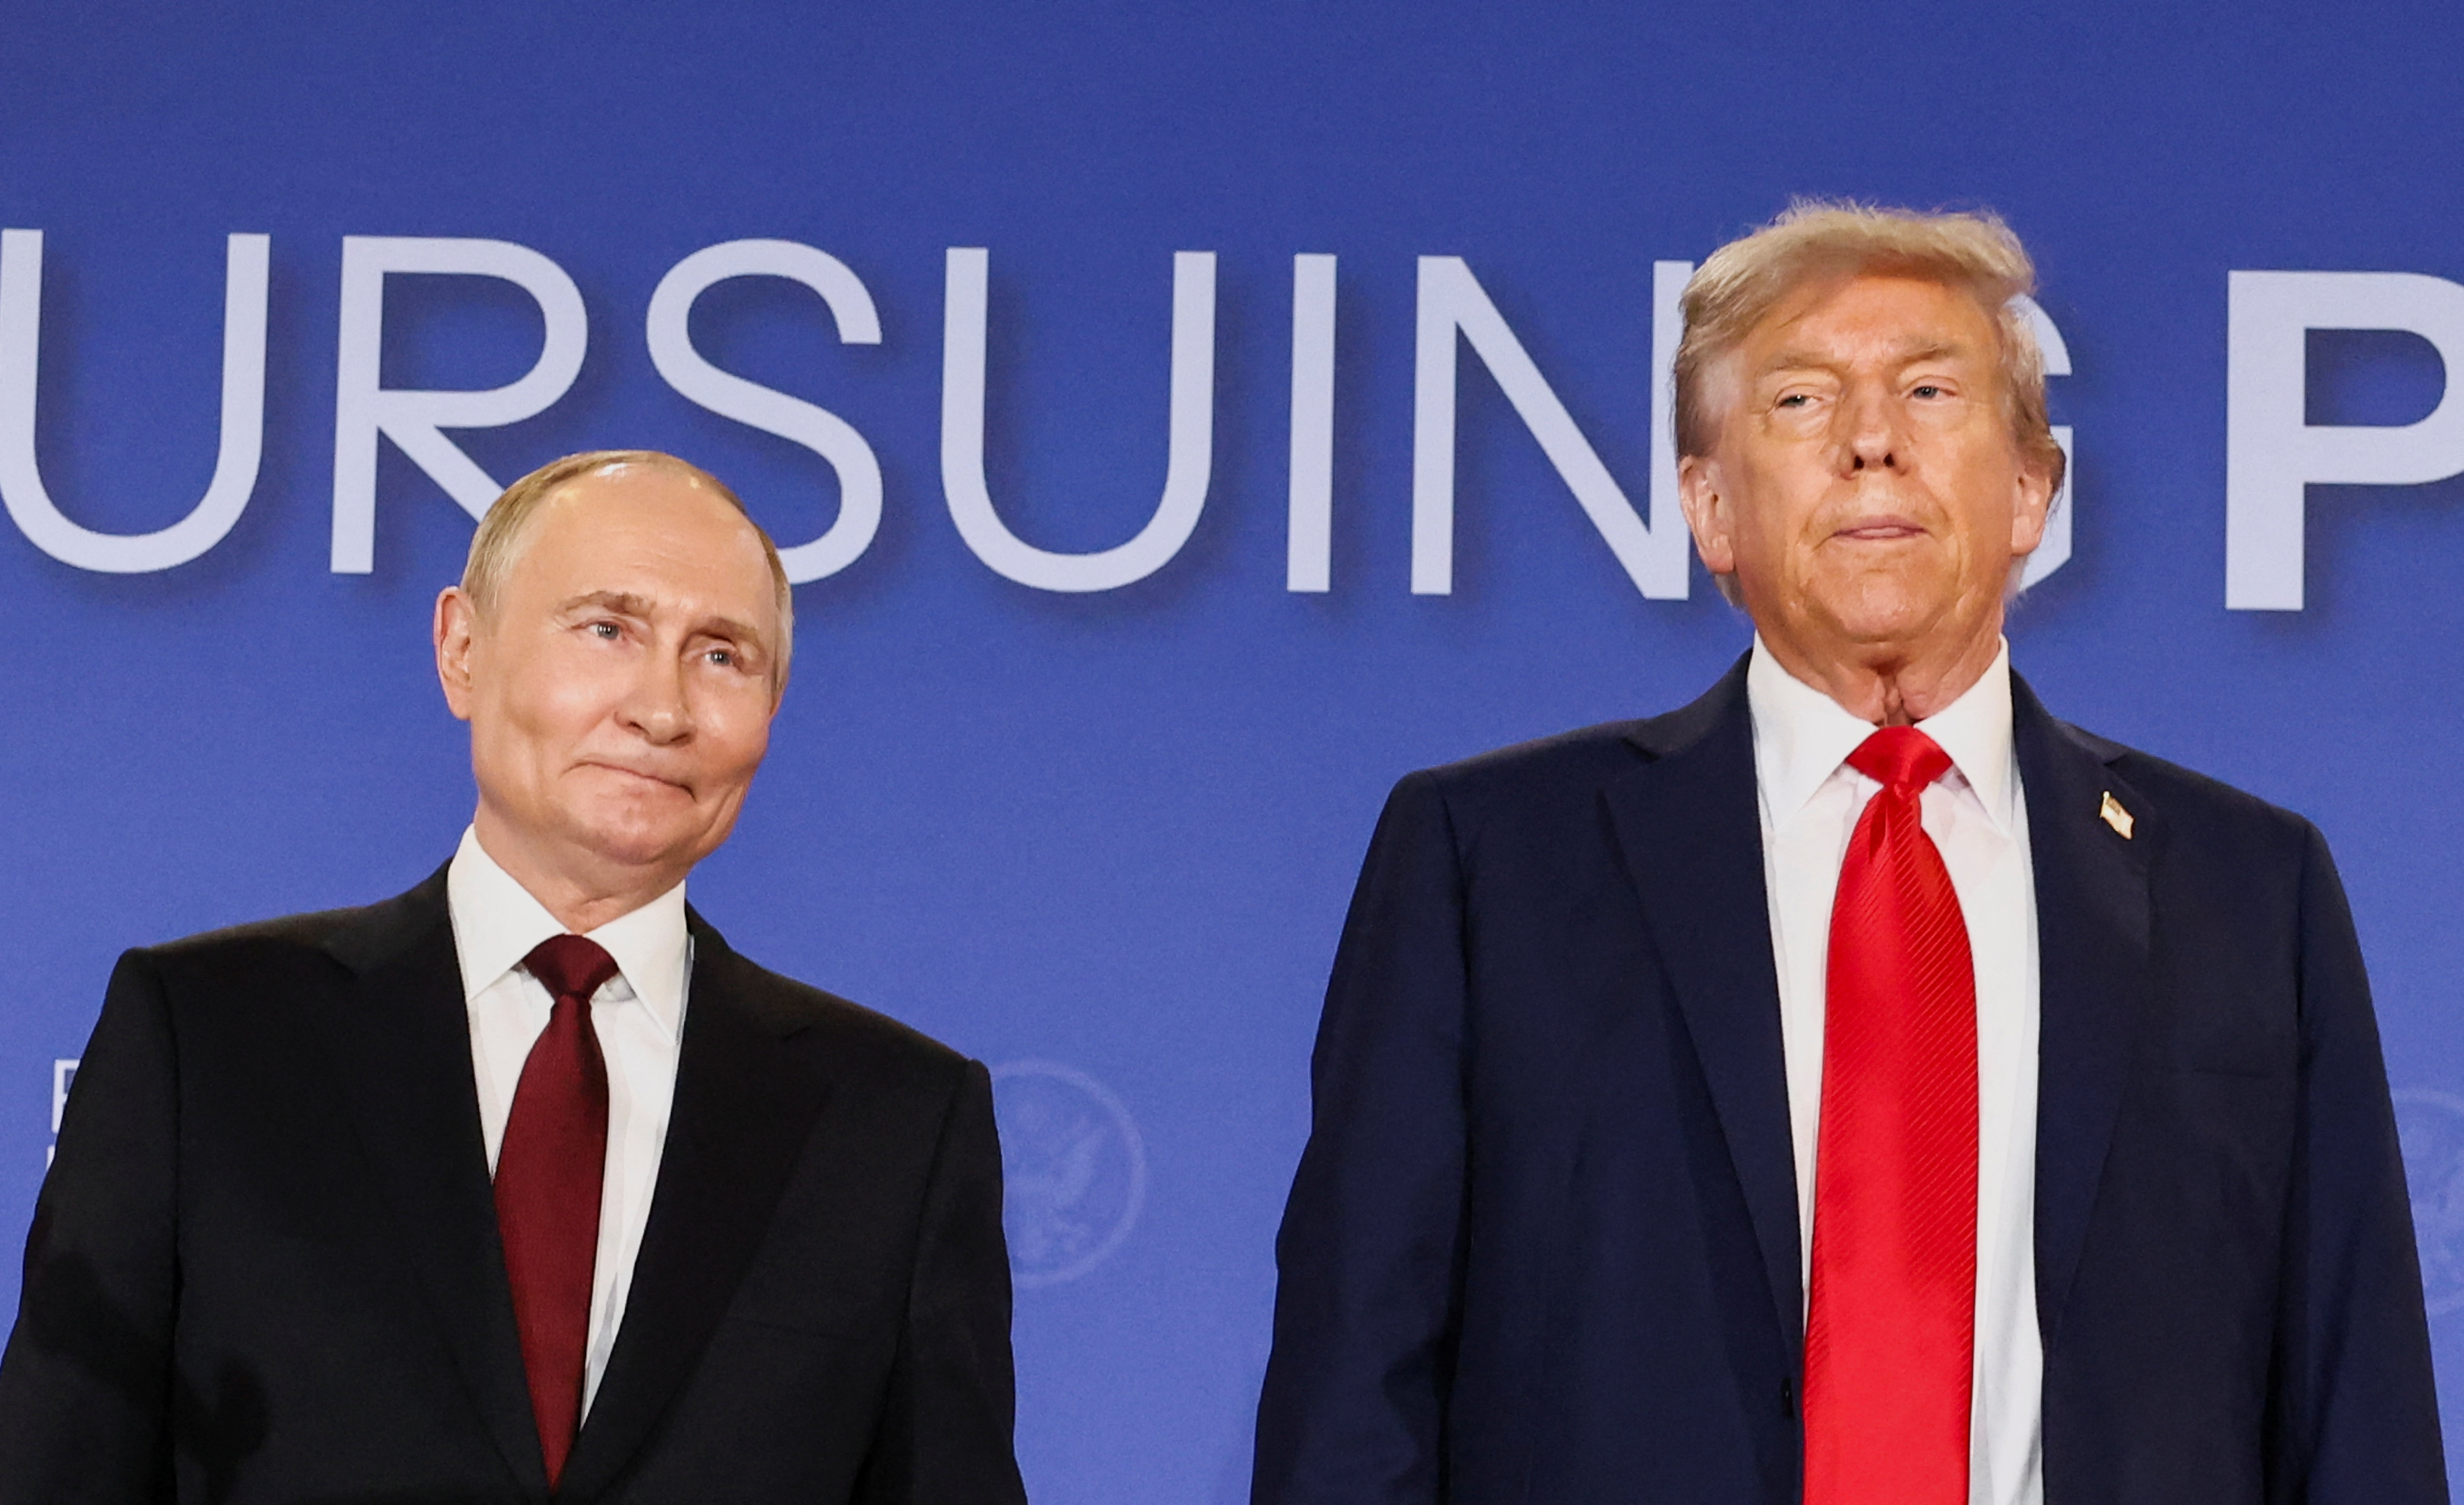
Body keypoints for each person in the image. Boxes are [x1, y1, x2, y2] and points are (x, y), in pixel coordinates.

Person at [1251, 205, 2447, 1505]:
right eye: (1801, 400)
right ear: (1709, 507)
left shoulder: (2245, 886)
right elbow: (1354, 1387)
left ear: (2031, 493)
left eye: (1929, 390)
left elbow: (2356, 1396)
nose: (1871, 441)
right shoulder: (1489, 863)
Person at [0, 451, 1028, 1504]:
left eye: (722, 655)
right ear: (462, 650)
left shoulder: (897, 1122)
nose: (662, 708)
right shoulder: (208, 1041)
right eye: (607, 630)